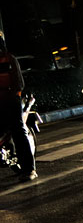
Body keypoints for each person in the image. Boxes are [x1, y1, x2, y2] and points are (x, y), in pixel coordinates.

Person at [0, 31, 36, 182]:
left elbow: (19, 84)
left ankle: (29, 170)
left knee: (18, 131)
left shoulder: (9, 59)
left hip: (10, 100)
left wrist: (12, 96)